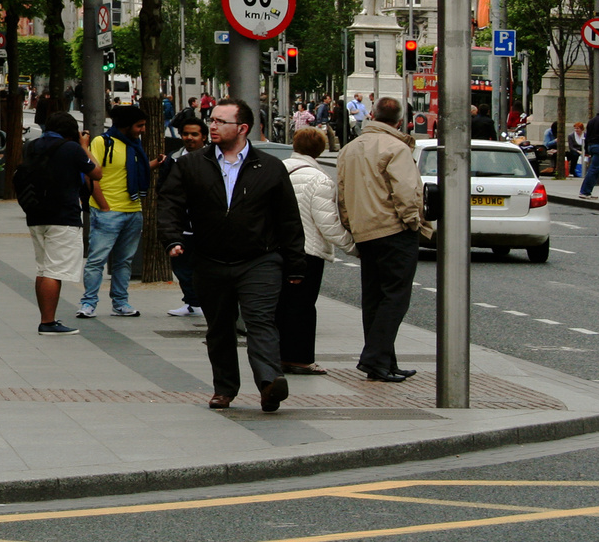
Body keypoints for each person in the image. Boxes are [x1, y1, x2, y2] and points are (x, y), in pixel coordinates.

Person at [157, 98, 305, 413]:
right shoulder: (192, 164)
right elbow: (170, 203)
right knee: (219, 327)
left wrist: (295, 264)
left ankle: (269, 383)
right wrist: (171, 239)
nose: (212, 126)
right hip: (210, 260)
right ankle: (224, 389)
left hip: (259, 260)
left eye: (221, 122)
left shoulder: (269, 167)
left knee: (260, 321)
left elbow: (288, 219)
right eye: (212, 120)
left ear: (242, 128)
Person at [335, 96, 426, 383]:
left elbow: (342, 195)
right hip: (394, 230)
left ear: (372, 115)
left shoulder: (349, 149)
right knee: (395, 298)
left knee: (374, 298)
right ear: (400, 121)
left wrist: (351, 225)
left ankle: (384, 362)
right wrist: (413, 223)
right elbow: (406, 192)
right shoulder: (396, 148)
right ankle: (374, 359)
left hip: (364, 231)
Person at [280, 127, 356, 376]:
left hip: (278, 250)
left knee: (281, 305)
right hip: (307, 252)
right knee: (303, 307)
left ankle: (278, 355)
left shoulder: (278, 170)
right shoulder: (319, 179)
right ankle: (300, 359)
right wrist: (353, 247)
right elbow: (328, 225)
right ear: (321, 150)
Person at [19, 111, 102, 336]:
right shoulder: (72, 148)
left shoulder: (32, 146)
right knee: (54, 271)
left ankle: (47, 318)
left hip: (36, 214)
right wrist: (84, 145)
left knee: (44, 268)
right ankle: (48, 321)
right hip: (63, 216)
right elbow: (96, 173)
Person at [78, 105, 161, 320]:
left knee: (124, 261)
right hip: (108, 211)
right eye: (139, 125)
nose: (142, 130)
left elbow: (133, 172)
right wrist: (103, 205)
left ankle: (121, 302)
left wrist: (154, 163)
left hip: (133, 210)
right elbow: (91, 175)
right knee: (97, 259)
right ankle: (88, 303)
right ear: (126, 125)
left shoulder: (135, 145)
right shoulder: (102, 143)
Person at [166, 118, 206, 317]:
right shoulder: (174, 159)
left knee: (202, 267)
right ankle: (191, 302)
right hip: (180, 224)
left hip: (204, 225)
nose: (189, 138)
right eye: (185, 134)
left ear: (204, 137)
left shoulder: (211, 160)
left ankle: (200, 301)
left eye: (194, 134)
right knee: (181, 266)